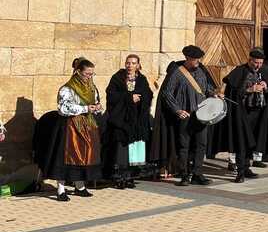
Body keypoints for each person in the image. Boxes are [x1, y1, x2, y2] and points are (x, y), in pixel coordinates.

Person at [39, 58, 104, 201]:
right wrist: (85, 108)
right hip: (70, 127)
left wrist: (97, 108)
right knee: (66, 157)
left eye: (92, 74)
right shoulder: (67, 88)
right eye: (87, 73)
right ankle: (61, 189)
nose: (89, 76)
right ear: (78, 72)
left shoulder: (92, 87)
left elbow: (96, 101)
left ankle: (79, 185)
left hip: (88, 125)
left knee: (84, 156)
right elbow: (63, 108)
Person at [156, 45, 220, 186]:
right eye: (195, 59)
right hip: (186, 116)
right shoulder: (178, 73)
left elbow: (207, 88)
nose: (198, 61)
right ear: (188, 58)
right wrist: (178, 110)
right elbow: (167, 93)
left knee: (201, 145)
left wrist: (213, 93)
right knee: (184, 146)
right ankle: (184, 175)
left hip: (202, 115)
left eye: (199, 59)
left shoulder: (202, 71)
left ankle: (197, 173)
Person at [219, 48, 268, 182]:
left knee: (253, 142)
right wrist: (250, 89)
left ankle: (246, 167)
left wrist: (266, 86)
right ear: (249, 60)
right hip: (242, 113)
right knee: (242, 142)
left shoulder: (264, 71)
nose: (258, 65)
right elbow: (232, 92)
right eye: (255, 62)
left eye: (260, 63)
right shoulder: (240, 71)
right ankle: (240, 172)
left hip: (259, 113)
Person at [104, 54, 153, 189]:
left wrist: (141, 99)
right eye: (128, 63)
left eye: (133, 63)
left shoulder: (142, 79)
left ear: (138, 65)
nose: (130, 65)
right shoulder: (117, 78)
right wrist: (129, 97)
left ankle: (131, 176)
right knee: (122, 149)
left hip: (137, 120)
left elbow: (148, 94)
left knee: (135, 148)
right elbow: (111, 95)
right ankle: (120, 177)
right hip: (122, 119)